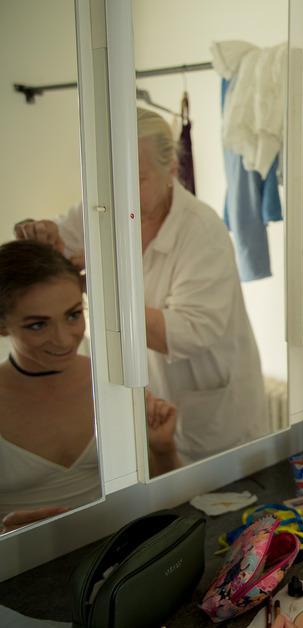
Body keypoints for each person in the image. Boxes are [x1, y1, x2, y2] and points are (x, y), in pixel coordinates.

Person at [15, 108, 268, 464]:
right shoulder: (101, 209)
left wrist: (97, 286)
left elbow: (189, 332)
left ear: (172, 171)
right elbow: (49, 257)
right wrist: (36, 234)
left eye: (136, 178)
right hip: (142, 401)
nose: (120, 192)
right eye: (110, 178)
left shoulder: (201, 231)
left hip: (210, 413)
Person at [0, 240, 179, 533]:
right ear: (3, 325)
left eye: (73, 315)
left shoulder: (114, 380)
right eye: (37, 325)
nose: (64, 339)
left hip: (111, 553)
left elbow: (163, 500)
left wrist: (163, 449)